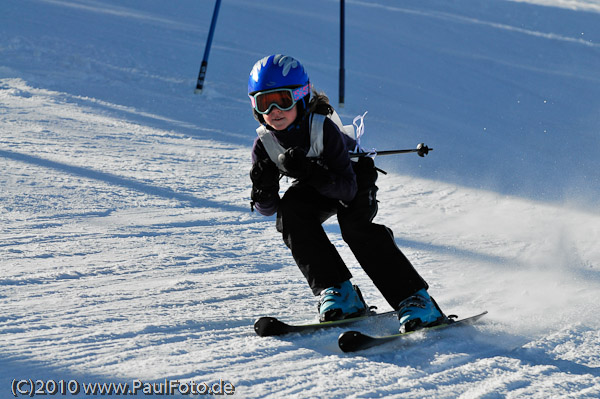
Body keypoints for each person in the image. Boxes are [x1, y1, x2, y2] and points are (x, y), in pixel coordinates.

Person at [247, 54, 446, 331]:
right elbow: (268, 210)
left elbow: (348, 190)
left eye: (283, 99)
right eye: (264, 103)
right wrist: (264, 188)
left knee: (355, 228)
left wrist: (310, 173)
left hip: (353, 179)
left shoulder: (322, 128)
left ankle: (415, 299)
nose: (275, 111)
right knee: (291, 212)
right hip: (318, 185)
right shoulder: (264, 144)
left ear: (302, 97)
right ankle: (341, 294)